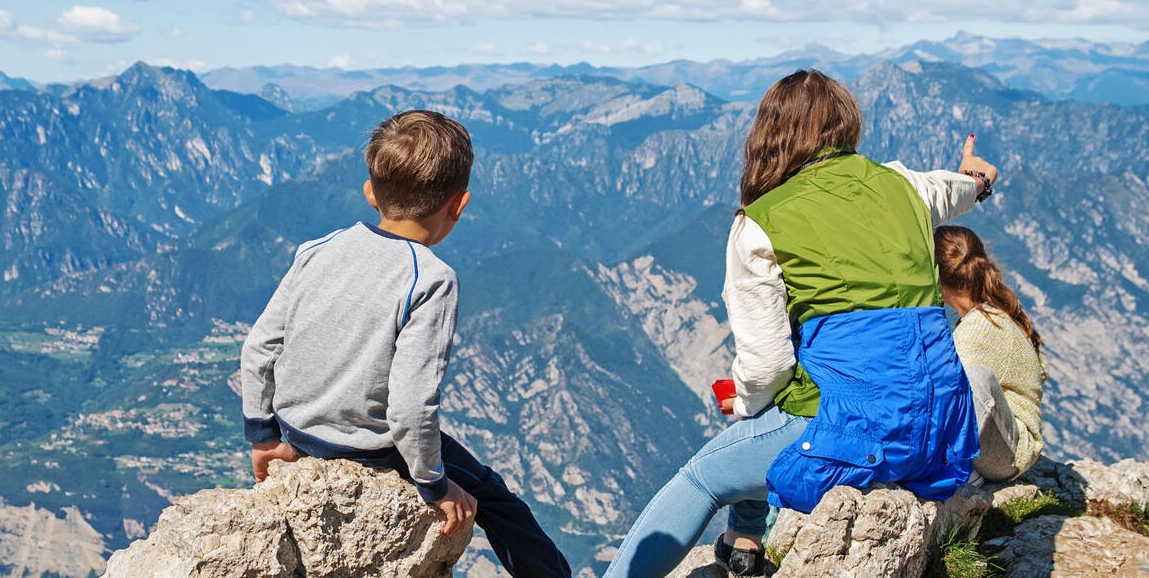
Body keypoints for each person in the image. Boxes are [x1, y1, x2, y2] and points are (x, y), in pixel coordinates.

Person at [604, 69, 997, 577]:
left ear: (770, 137)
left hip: (856, 432)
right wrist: (979, 180)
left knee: (702, 476)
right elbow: (953, 190)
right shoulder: (904, 186)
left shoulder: (760, 224)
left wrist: (742, 402)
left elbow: (766, 367)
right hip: (940, 429)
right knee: (769, 408)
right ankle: (744, 549)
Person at [239, 110, 572, 578]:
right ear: (459, 205)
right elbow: (411, 410)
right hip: (370, 448)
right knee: (498, 501)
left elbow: (258, 349)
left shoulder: (316, 249)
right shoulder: (431, 280)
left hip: (295, 432)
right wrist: (435, 485)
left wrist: (263, 436)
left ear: (370, 192)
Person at [935, 225, 1048, 484]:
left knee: (969, 380)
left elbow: (946, 393)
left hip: (1006, 454)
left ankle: (962, 471)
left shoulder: (981, 327)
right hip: (1007, 443)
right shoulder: (995, 313)